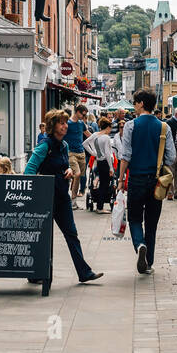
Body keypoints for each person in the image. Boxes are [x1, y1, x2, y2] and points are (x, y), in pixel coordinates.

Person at [24, 109, 103, 284]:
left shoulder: (64, 145)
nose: (65, 126)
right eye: (61, 123)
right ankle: (35, 273)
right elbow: (29, 170)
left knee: (71, 233)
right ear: (53, 126)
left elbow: (65, 165)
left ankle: (84, 273)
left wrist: (68, 170)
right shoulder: (45, 145)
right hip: (45, 198)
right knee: (42, 237)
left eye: (66, 123)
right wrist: (36, 190)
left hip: (61, 196)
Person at [117, 88, 175, 274]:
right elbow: (171, 156)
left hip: (136, 179)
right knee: (152, 223)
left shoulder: (130, 126)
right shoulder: (164, 127)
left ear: (141, 103)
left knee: (134, 219)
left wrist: (120, 180)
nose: (134, 106)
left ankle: (139, 244)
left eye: (134, 103)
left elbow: (125, 156)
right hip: (156, 181)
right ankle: (148, 262)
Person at [84, 118, 116, 212]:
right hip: (105, 162)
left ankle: (99, 206)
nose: (110, 131)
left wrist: (94, 153)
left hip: (99, 161)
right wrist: (111, 167)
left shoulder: (96, 135)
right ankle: (100, 207)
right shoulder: (106, 137)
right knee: (104, 185)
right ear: (108, 127)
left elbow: (85, 144)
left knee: (102, 183)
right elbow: (107, 153)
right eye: (110, 129)